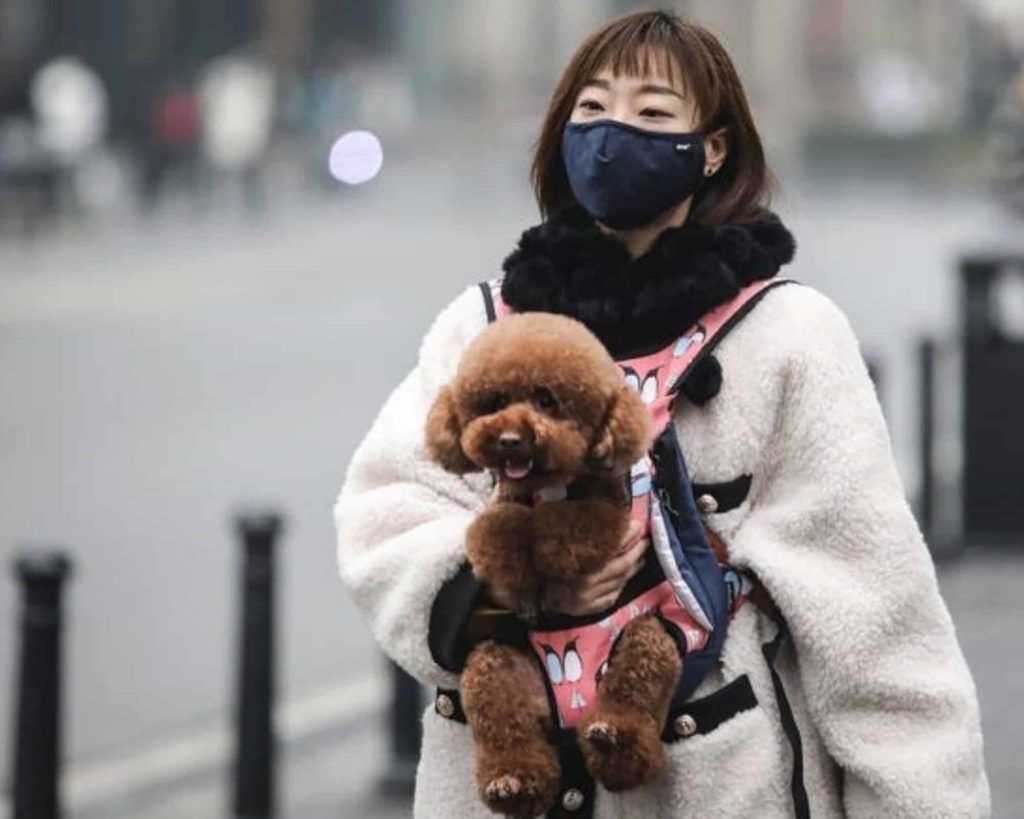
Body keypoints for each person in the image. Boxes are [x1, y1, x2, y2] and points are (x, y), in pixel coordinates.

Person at [334, 11, 989, 818]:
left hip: (721, 787)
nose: (613, 136)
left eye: (651, 114)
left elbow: (876, 622)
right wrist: (511, 588)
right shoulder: (485, 325)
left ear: (711, 147)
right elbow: (385, 514)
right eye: (591, 110)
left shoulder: (788, 336)